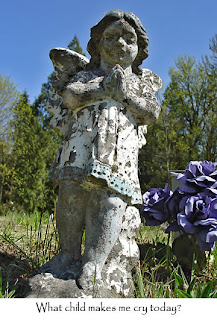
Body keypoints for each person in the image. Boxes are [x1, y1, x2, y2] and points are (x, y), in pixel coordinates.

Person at [44, 10, 162, 291]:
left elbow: (152, 112)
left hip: (119, 154)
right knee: (70, 195)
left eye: (129, 39)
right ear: (97, 45)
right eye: (111, 37)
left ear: (139, 49)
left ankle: (95, 263)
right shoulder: (87, 74)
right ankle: (68, 254)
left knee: (109, 202)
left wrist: (124, 95)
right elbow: (71, 96)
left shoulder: (141, 82)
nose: (120, 44)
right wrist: (101, 89)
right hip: (80, 147)